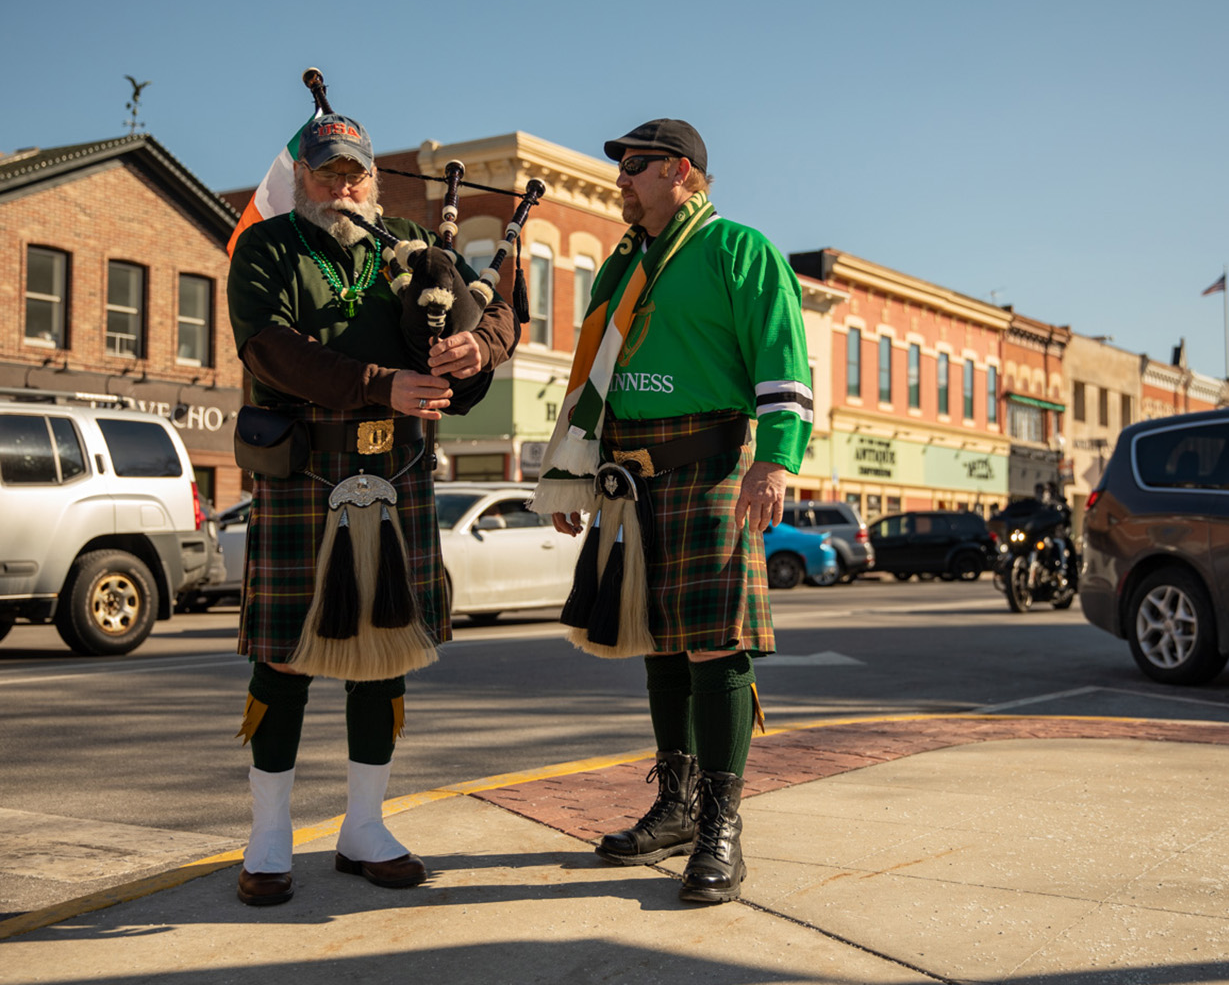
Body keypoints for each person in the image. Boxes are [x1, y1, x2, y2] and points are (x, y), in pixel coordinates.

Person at [226, 112, 517, 906]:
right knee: (284, 655)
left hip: (399, 465)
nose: (343, 186)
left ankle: (364, 826)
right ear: (302, 178)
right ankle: (269, 837)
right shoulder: (268, 247)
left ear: (373, 178)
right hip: (304, 470)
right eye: (327, 173)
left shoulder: (408, 245)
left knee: (386, 652)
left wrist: (477, 348)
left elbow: (492, 315)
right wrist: (375, 383)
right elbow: (269, 349)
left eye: (355, 173)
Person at [530, 119, 812, 904]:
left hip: (713, 467)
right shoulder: (621, 266)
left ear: (681, 173)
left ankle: (722, 825)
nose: (619, 178)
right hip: (631, 476)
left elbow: (783, 359)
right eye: (620, 167)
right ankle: (677, 807)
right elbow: (592, 381)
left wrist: (775, 461)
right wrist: (574, 473)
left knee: (716, 647)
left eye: (634, 166)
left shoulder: (738, 251)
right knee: (657, 642)